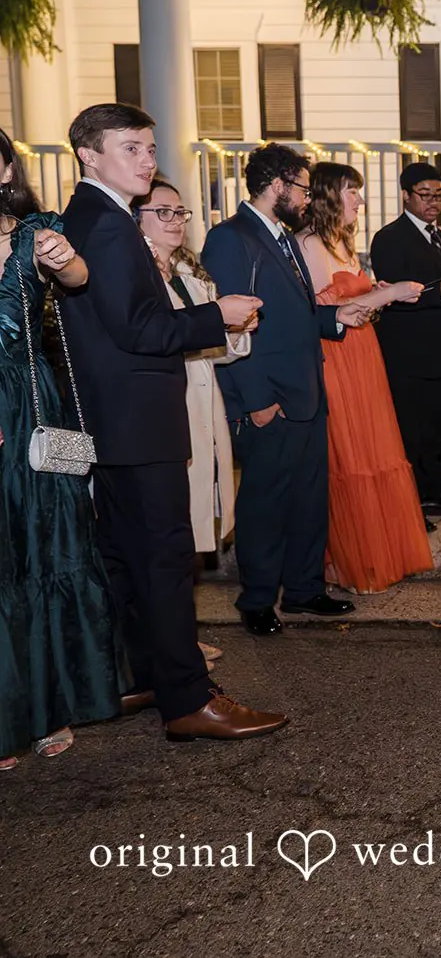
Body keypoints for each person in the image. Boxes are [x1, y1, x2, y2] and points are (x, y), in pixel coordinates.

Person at [61, 104, 286, 740]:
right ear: (89, 154)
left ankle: (142, 677)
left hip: (118, 420)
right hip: (136, 417)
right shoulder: (106, 225)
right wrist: (220, 314)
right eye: (131, 148)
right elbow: (140, 330)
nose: (148, 160)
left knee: (128, 558)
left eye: (151, 148)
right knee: (161, 558)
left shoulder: (95, 217)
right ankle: (188, 700)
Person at [204, 143, 374, 637]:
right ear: (276, 184)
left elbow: (291, 315)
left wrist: (336, 318)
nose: (306, 198)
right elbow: (234, 327)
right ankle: (257, 599)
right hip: (270, 398)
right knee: (265, 504)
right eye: (301, 187)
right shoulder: (230, 238)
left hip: (306, 392)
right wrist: (256, 401)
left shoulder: (283, 237)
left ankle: (303, 589)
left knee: (307, 498)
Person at [0, 126, 119, 769]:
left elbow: (76, 278)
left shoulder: (37, 229)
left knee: (51, 549)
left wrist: (62, 256)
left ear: (5, 170)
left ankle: (51, 707)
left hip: (40, 410)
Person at [296, 162, 433, 593]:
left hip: (364, 354)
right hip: (335, 360)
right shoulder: (309, 244)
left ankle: (382, 555)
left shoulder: (343, 243)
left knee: (376, 452)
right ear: (326, 197)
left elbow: (355, 303)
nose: (359, 200)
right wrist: (388, 293)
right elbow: (318, 312)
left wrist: (377, 292)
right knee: (349, 457)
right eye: (351, 191)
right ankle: (349, 564)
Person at [137, 178, 249, 561]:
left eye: (180, 212)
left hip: (202, 404)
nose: (175, 220)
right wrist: (219, 320)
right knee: (168, 526)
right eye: (162, 212)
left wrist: (234, 330)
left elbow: (209, 351)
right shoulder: (138, 279)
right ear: (136, 221)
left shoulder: (190, 278)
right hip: (165, 408)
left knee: (194, 517)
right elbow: (158, 340)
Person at [368, 162, 441, 521]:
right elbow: (392, 293)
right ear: (406, 195)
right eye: (425, 195)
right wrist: (439, 294)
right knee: (410, 434)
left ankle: (432, 494)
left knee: (433, 431)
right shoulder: (388, 238)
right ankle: (408, 506)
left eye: (439, 195)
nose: (433, 202)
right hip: (408, 355)